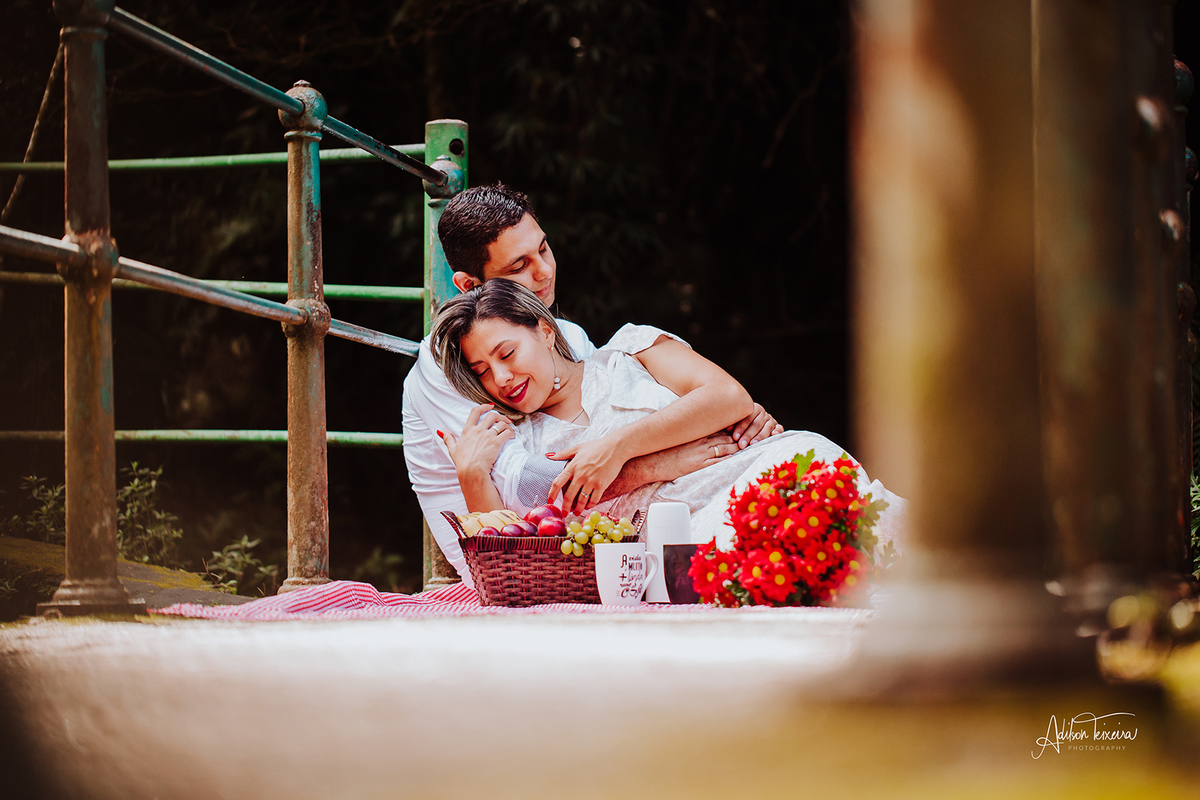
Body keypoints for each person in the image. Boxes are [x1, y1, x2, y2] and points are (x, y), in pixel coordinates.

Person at [402, 184, 783, 583]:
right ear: (469, 285)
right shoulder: (448, 358)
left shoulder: (568, 334)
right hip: (512, 558)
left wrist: (734, 418)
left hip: (596, 532)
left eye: (543, 249)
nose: (544, 271)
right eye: (518, 267)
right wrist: (665, 461)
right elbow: (527, 487)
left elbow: (607, 415)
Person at [430, 280, 907, 550]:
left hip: (769, 466)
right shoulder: (519, 447)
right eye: (482, 370)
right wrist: (472, 472)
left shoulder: (631, 349)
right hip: (687, 538)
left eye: (506, 353)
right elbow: (506, 553)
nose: (500, 378)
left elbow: (728, 398)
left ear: (544, 331)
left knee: (892, 535)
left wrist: (614, 448)